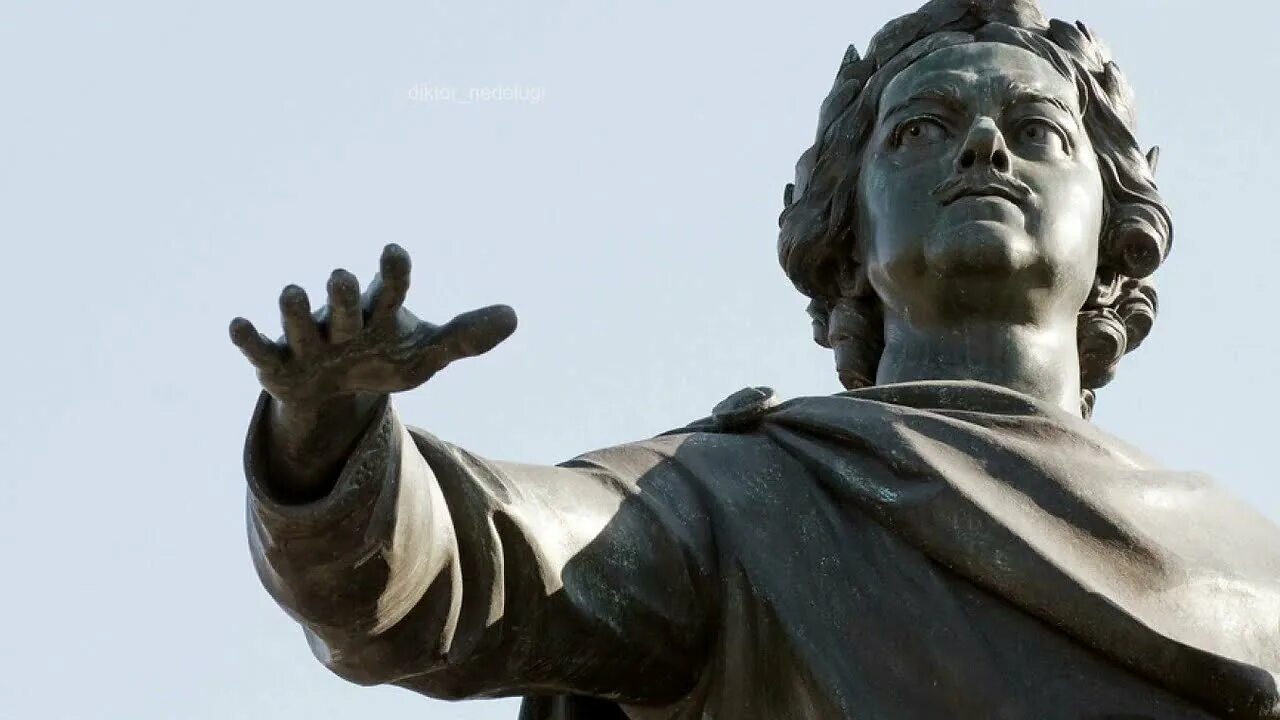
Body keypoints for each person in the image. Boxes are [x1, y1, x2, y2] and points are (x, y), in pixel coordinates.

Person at [230, 1, 1280, 717]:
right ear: (847, 238)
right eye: (919, 130)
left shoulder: (1256, 572)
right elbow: (473, 568)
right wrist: (328, 440)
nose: (982, 148)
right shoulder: (745, 498)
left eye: (1038, 130)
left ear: (1114, 232)